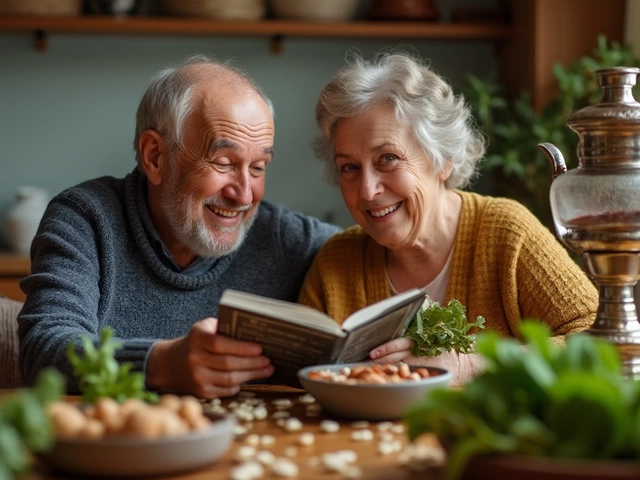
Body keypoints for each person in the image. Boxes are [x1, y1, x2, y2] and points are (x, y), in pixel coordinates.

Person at [18, 55, 340, 398]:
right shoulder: (85, 219)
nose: (245, 194)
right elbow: (43, 352)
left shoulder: (284, 237)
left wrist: (405, 343)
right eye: (224, 162)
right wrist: (160, 363)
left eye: (259, 167)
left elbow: (377, 250)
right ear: (155, 156)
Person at [297, 51, 599, 385]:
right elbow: (300, 377)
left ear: (443, 160)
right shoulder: (335, 262)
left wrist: (470, 366)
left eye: (388, 158)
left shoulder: (506, 234)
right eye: (349, 168)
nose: (367, 191)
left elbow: (601, 343)